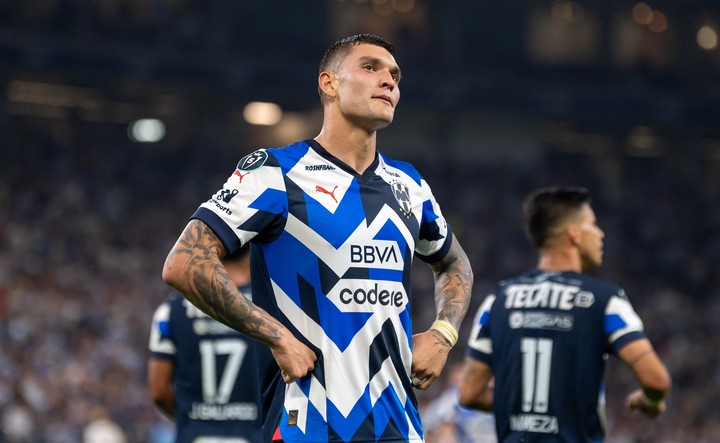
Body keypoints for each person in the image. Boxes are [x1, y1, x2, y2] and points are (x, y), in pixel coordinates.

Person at [162, 33, 473, 443]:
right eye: (370, 67)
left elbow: (454, 262)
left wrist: (442, 335)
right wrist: (276, 335)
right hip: (306, 424)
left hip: (398, 426)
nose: (389, 81)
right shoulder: (275, 172)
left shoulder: (409, 185)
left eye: (395, 75)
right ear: (329, 83)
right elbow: (185, 262)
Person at [458, 186, 671, 442]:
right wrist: (650, 400)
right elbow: (657, 380)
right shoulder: (605, 300)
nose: (600, 234)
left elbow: (469, 394)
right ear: (574, 234)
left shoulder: (497, 301)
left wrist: (520, 406)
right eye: (592, 224)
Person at [149, 245, 263, 443]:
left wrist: (190, 420)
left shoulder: (172, 309)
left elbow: (158, 390)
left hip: (196, 435)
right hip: (254, 434)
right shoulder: (268, 309)